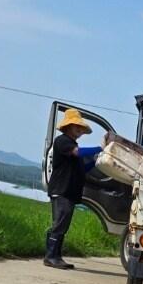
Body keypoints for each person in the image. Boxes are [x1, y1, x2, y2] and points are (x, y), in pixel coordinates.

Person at [44, 107, 101, 270]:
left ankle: (55, 255)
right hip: (61, 190)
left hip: (68, 191)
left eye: (81, 127)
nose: (79, 130)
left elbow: (82, 167)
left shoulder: (72, 144)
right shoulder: (62, 142)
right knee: (60, 223)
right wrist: (99, 148)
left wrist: (96, 161)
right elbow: (78, 153)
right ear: (68, 126)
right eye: (77, 126)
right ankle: (51, 256)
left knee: (62, 224)